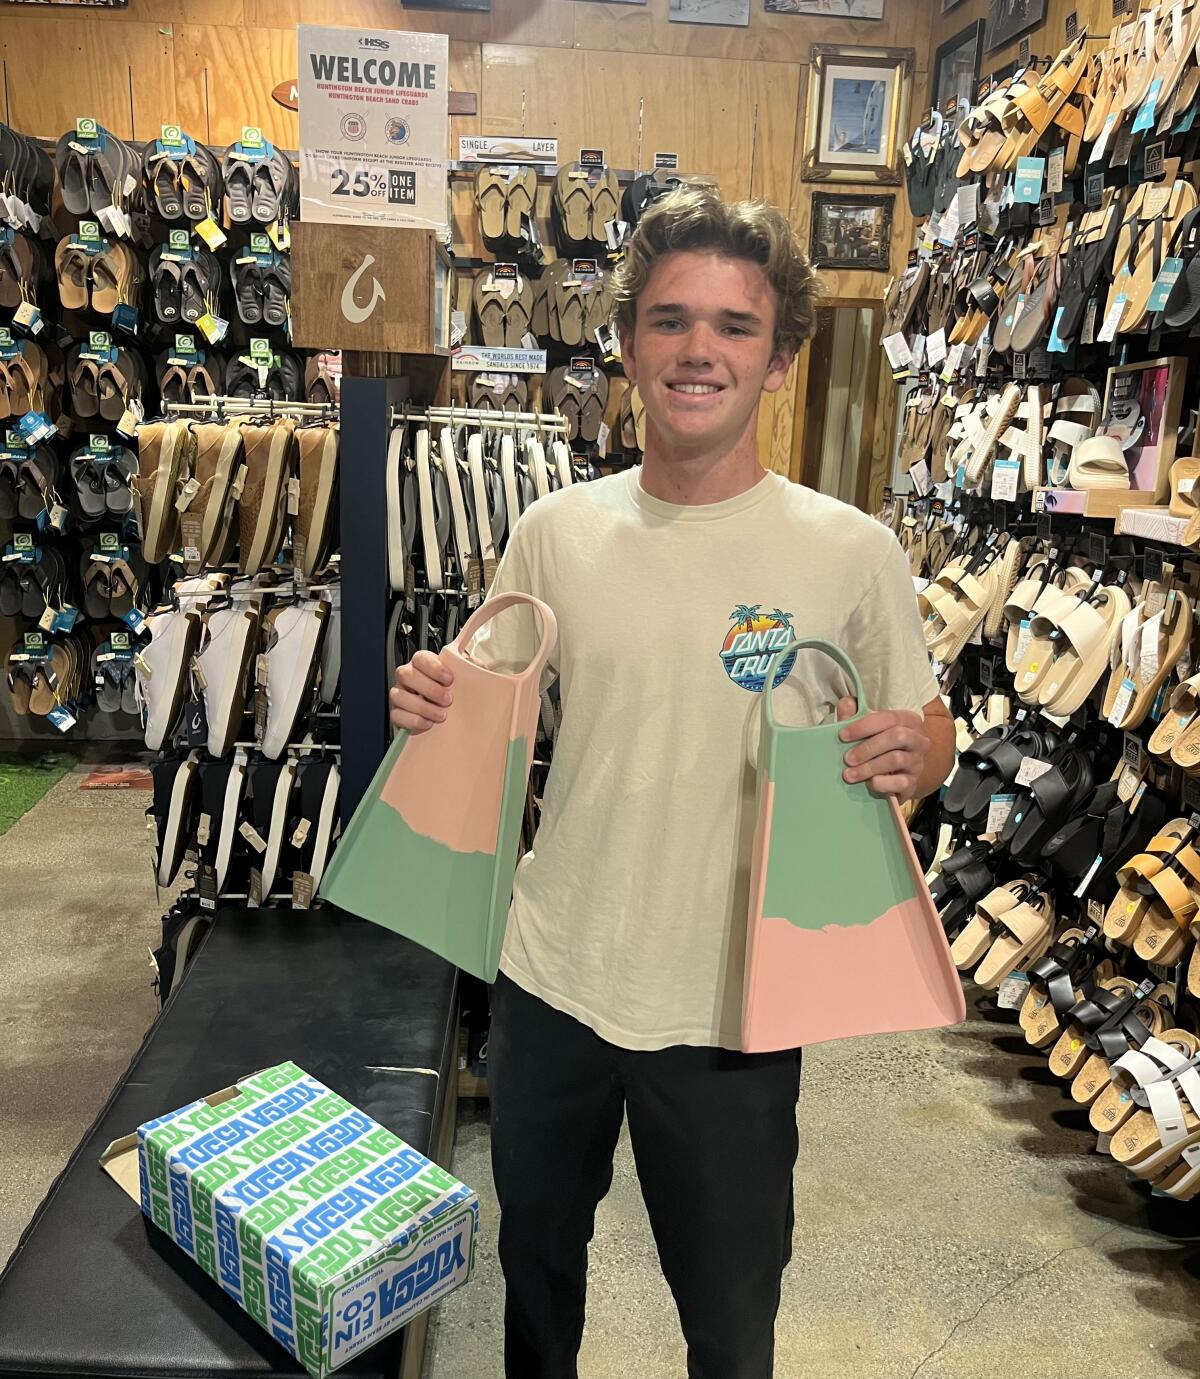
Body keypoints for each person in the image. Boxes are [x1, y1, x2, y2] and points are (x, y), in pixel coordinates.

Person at [389, 187, 955, 1379]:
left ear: (781, 357)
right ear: (632, 344)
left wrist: (929, 751)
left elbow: (922, 723)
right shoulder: (555, 530)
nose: (700, 350)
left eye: (736, 327)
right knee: (536, 1275)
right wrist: (430, 706)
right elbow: (482, 708)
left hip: (735, 1003)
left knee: (731, 1316)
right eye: (670, 320)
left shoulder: (852, 551)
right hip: (555, 976)